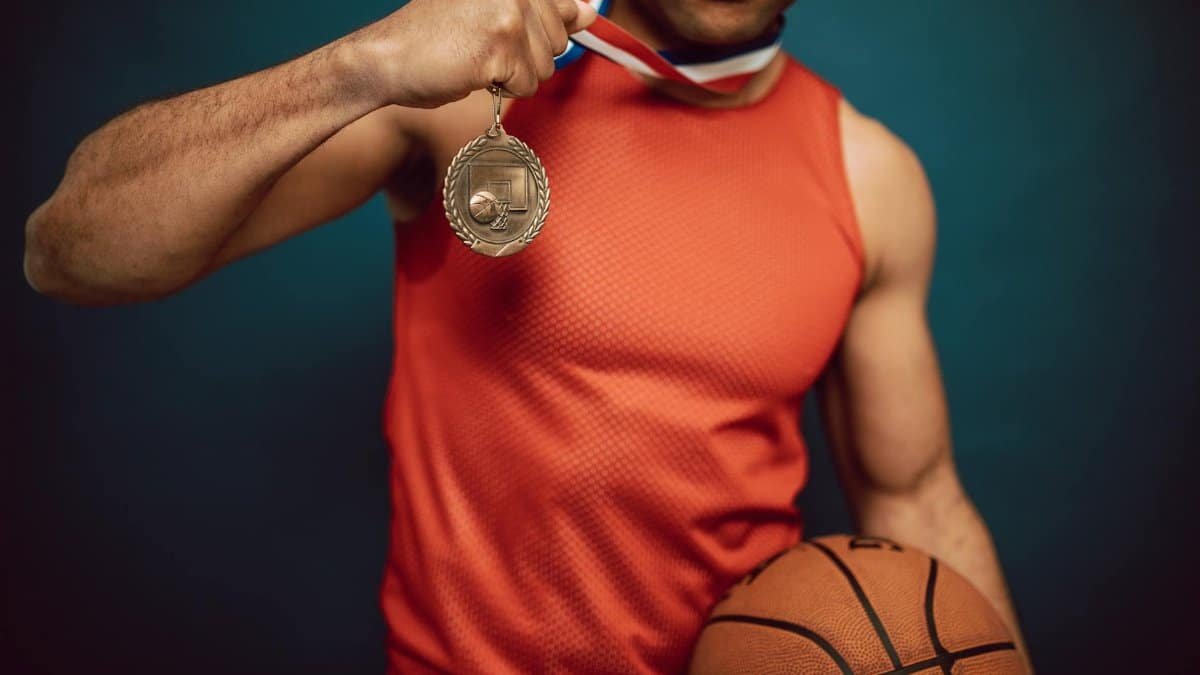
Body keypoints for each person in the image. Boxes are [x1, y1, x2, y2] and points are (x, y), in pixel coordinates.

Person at [23, 0, 1030, 672]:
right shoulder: (461, 96)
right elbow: (69, 251)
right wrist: (361, 66)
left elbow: (915, 494)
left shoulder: (870, 175)